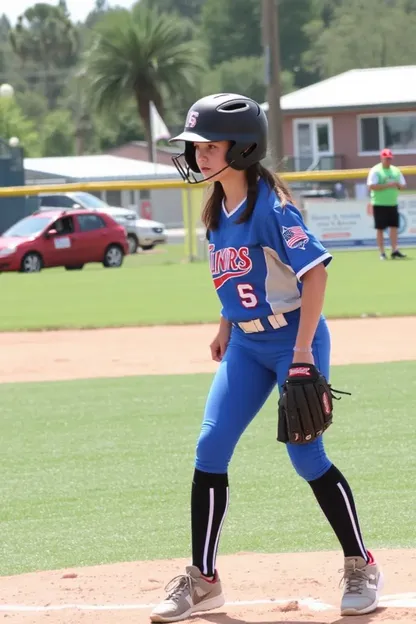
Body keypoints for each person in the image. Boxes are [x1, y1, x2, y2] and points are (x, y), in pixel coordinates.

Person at [150, 94, 383, 623]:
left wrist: (302, 356)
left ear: (243, 147)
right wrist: (225, 325)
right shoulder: (217, 208)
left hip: (293, 340)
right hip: (247, 346)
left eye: (210, 145)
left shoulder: (273, 209)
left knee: (305, 456)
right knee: (210, 447)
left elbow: (316, 273)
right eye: (196, 146)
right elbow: (236, 278)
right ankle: (204, 579)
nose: (200, 155)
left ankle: (361, 564)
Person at [367, 148, 407, 260]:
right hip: (379, 203)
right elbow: (371, 186)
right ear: (382, 158)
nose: (388, 161)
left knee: (394, 227)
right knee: (380, 228)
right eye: (386, 159)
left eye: (390, 158)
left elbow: (403, 185)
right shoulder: (376, 170)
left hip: (392, 203)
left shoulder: (396, 171)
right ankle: (382, 252)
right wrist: (388, 185)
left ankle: (395, 250)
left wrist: (398, 184)